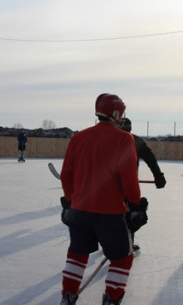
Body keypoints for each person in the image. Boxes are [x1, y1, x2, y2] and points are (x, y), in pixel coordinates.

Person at [59, 93, 142, 305]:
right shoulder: (124, 138)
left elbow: (66, 173)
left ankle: (67, 296)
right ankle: (112, 299)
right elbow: (129, 179)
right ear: (116, 113)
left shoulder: (79, 137)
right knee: (123, 258)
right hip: (110, 212)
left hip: (79, 210)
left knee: (77, 254)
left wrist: (70, 202)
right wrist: (136, 205)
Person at [120, 117, 165, 250]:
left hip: (118, 184)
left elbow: (150, 158)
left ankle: (115, 242)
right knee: (130, 213)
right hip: (126, 184)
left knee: (120, 213)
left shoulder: (112, 140)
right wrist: (158, 176)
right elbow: (150, 159)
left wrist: (158, 176)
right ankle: (125, 242)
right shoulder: (135, 140)